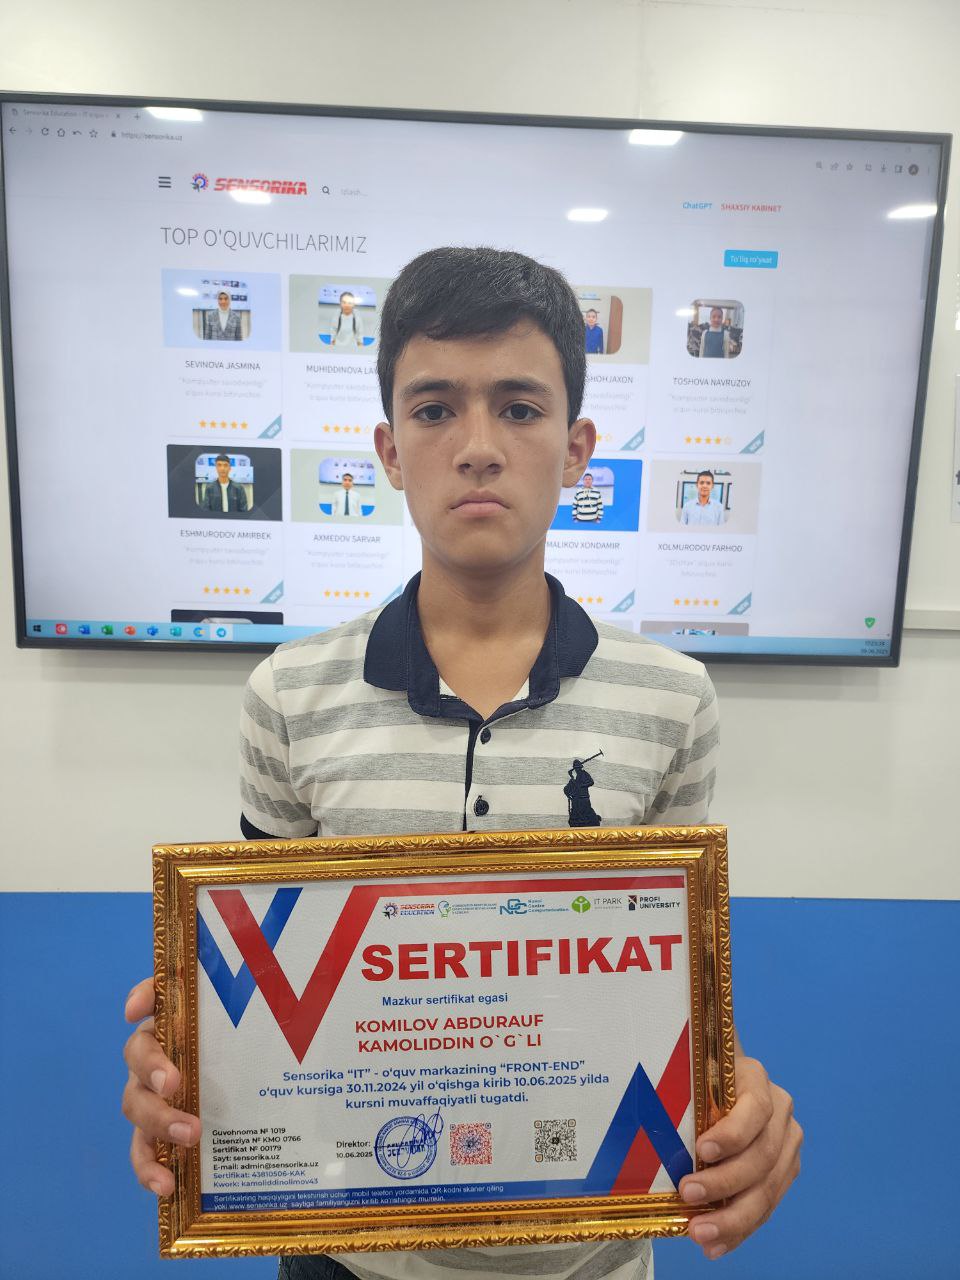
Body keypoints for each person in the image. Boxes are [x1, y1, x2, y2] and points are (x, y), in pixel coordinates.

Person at [124, 247, 801, 1278]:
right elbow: (263, 979)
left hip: (594, 1258)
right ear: (390, 450)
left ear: (576, 450)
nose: (478, 448)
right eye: (436, 409)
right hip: (347, 1255)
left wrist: (732, 1087)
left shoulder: (674, 697)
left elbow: (668, 981)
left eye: (520, 409)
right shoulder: (288, 693)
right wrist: (194, 1066)